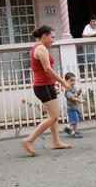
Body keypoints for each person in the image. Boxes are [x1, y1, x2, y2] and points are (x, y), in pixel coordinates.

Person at [22, 25, 72, 156]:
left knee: (53, 117)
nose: (53, 40)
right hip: (43, 86)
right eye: (52, 37)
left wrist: (55, 83)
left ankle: (56, 142)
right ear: (44, 35)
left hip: (46, 86)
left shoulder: (39, 47)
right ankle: (29, 140)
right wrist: (63, 82)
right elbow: (47, 69)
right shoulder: (41, 49)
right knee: (54, 116)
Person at [63, 72, 84, 139]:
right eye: (71, 80)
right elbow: (72, 98)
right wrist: (79, 100)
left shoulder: (74, 88)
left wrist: (80, 92)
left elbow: (76, 95)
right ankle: (73, 131)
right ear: (66, 81)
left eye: (74, 80)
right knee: (75, 120)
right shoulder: (67, 90)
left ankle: (69, 128)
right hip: (71, 108)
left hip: (76, 107)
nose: (73, 82)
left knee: (76, 120)